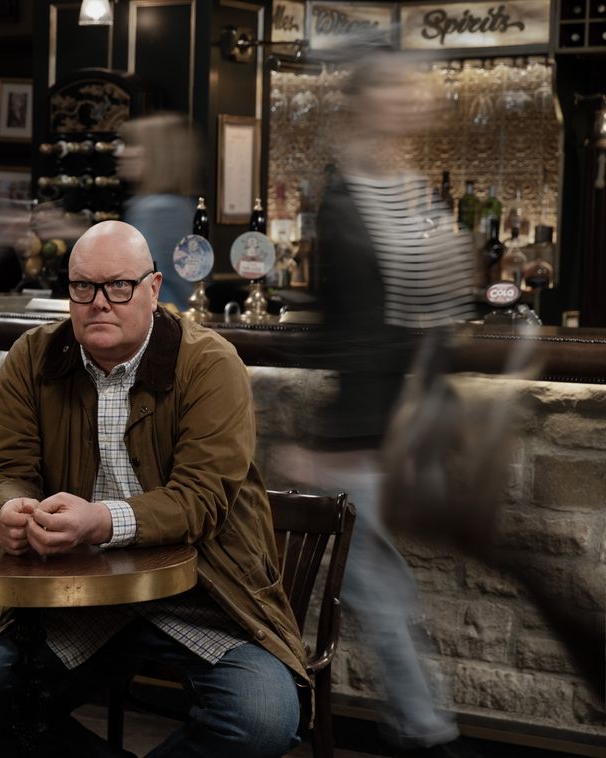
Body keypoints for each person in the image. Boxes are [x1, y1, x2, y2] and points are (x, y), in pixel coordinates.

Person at [0, 221, 307, 758]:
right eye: (83, 288)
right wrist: (7, 509)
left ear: (155, 288)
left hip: (203, 593)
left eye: (119, 287)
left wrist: (98, 521)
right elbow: (1, 471)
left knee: (260, 721)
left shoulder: (209, 363)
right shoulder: (32, 357)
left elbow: (201, 500)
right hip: (80, 595)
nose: (99, 303)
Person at [272, 44, 481, 758]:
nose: (411, 98)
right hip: (360, 435)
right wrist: (332, 438)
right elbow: (347, 329)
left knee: (388, 599)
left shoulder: (412, 192)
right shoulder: (345, 199)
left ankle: (418, 731)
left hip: (397, 430)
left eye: (412, 89)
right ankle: (424, 735)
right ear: (364, 102)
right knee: (385, 602)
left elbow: (433, 325)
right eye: (394, 88)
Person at [118, 113, 203, 311]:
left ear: (157, 155)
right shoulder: (180, 206)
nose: (122, 153)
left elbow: (129, 275)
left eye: (133, 145)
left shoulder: (155, 210)